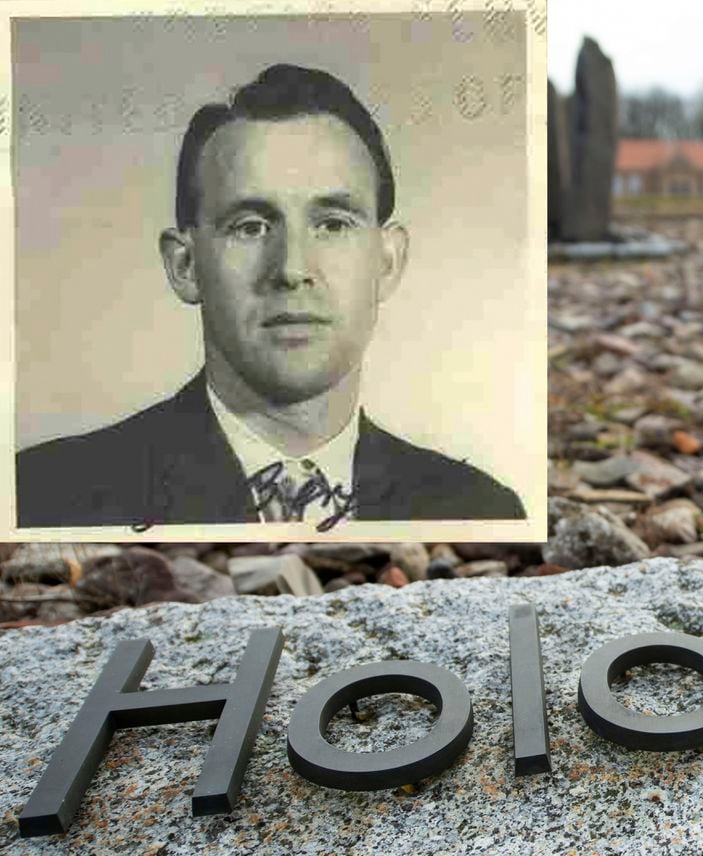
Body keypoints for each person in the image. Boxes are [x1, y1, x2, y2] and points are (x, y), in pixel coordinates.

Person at [16, 64, 526, 530]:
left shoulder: (479, 508)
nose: (292, 270)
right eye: (251, 226)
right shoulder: (45, 496)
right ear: (185, 265)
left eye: (331, 223)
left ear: (387, 260)